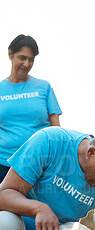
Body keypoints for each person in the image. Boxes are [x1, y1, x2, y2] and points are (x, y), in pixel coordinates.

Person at [0, 34, 62, 182]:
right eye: (22, 58)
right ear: (10, 54)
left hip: (38, 166)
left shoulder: (44, 87)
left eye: (31, 59)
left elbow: (57, 131)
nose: (27, 64)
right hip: (3, 165)